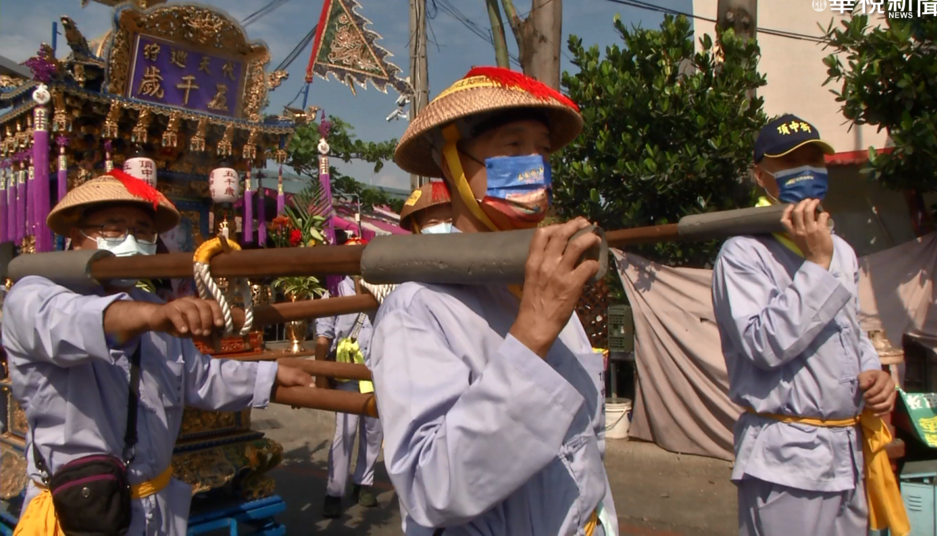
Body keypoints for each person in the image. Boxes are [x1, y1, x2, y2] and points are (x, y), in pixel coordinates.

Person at [369, 66, 618, 535]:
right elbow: (430, 489)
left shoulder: (544, 283)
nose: (533, 165)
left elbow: (588, 453)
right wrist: (530, 339)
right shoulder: (418, 307)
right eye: (512, 146)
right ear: (452, 162)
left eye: (542, 150)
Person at [3, 170, 314, 535]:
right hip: (76, 514)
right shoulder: (33, 297)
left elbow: (200, 379)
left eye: (142, 231)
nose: (130, 240)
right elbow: (73, 322)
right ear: (77, 236)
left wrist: (273, 376)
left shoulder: (153, 306)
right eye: (114, 228)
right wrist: (154, 316)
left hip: (155, 508)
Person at [711, 114, 907, 536]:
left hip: (845, 453)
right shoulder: (743, 253)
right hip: (786, 458)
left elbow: (849, 330)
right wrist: (817, 265)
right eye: (789, 161)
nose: (806, 169)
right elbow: (763, 344)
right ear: (760, 175)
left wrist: (873, 370)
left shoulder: (843, 251)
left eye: (814, 159)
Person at [317, 236, 384, 518]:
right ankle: (335, 490)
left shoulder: (381, 290)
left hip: (374, 373)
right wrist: (321, 374)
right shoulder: (333, 291)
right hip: (345, 373)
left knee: (373, 432)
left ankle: (364, 482)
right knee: (343, 433)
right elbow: (323, 334)